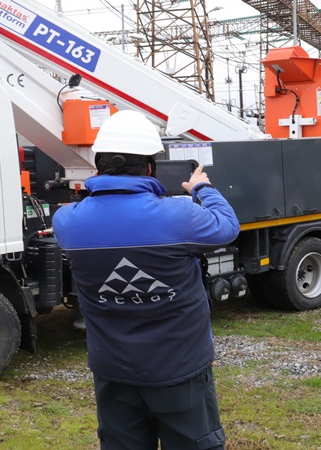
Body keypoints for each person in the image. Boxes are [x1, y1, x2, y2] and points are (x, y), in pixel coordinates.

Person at [52, 110, 239, 450]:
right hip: (179, 368)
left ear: (98, 167)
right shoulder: (179, 216)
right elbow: (227, 227)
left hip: (113, 371)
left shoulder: (68, 222)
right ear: (150, 167)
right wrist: (203, 189)